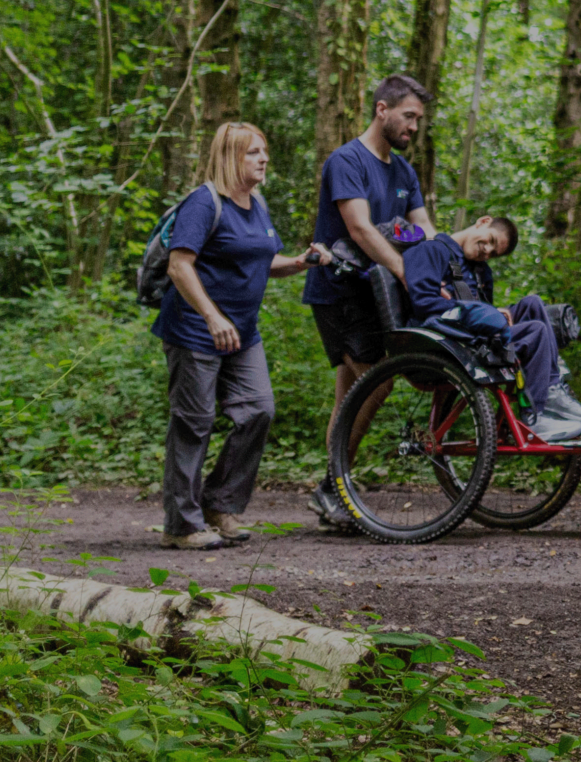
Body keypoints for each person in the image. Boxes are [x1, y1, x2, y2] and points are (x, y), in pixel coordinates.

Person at [155, 121, 330, 550]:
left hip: (242, 334)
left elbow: (262, 261)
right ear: (230, 156)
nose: (264, 158)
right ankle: (182, 526)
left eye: (264, 151)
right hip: (196, 331)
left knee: (258, 411)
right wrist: (212, 316)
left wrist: (302, 262)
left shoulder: (257, 204)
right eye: (254, 152)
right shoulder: (204, 203)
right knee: (193, 424)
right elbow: (180, 265)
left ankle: (219, 505)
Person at [305, 75, 435, 530]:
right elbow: (359, 228)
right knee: (376, 384)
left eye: (419, 119)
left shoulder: (403, 171)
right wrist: (405, 271)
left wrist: (443, 263)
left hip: (378, 297)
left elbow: (425, 227)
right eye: (409, 116)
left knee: (350, 393)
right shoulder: (347, 161)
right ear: (382, 109)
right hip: (340, 290)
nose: (414, 126)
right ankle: (333, 487)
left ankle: (332, 488)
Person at [398, 216, 581, 441]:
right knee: (535, 331)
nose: (487, 250)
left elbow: (483, 313)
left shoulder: (481, 272)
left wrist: (498, 313)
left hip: (476, 334)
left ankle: (553, 389)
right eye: (490, 240)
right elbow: (424, 304)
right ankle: (535, 417)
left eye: (494, 252)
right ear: (483, 222)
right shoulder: (432, 250)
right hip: (452, 339)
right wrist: (473, 310)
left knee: (533, 304)